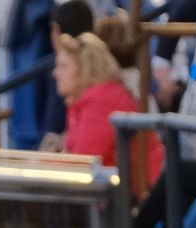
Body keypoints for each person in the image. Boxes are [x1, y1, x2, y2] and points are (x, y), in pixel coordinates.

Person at [49, 33, 137, 166]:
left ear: (85, 69)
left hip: (139, 185)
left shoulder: (101, 101)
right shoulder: (85, 101)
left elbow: (84, 164)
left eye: (63, 66)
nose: (55, 73)